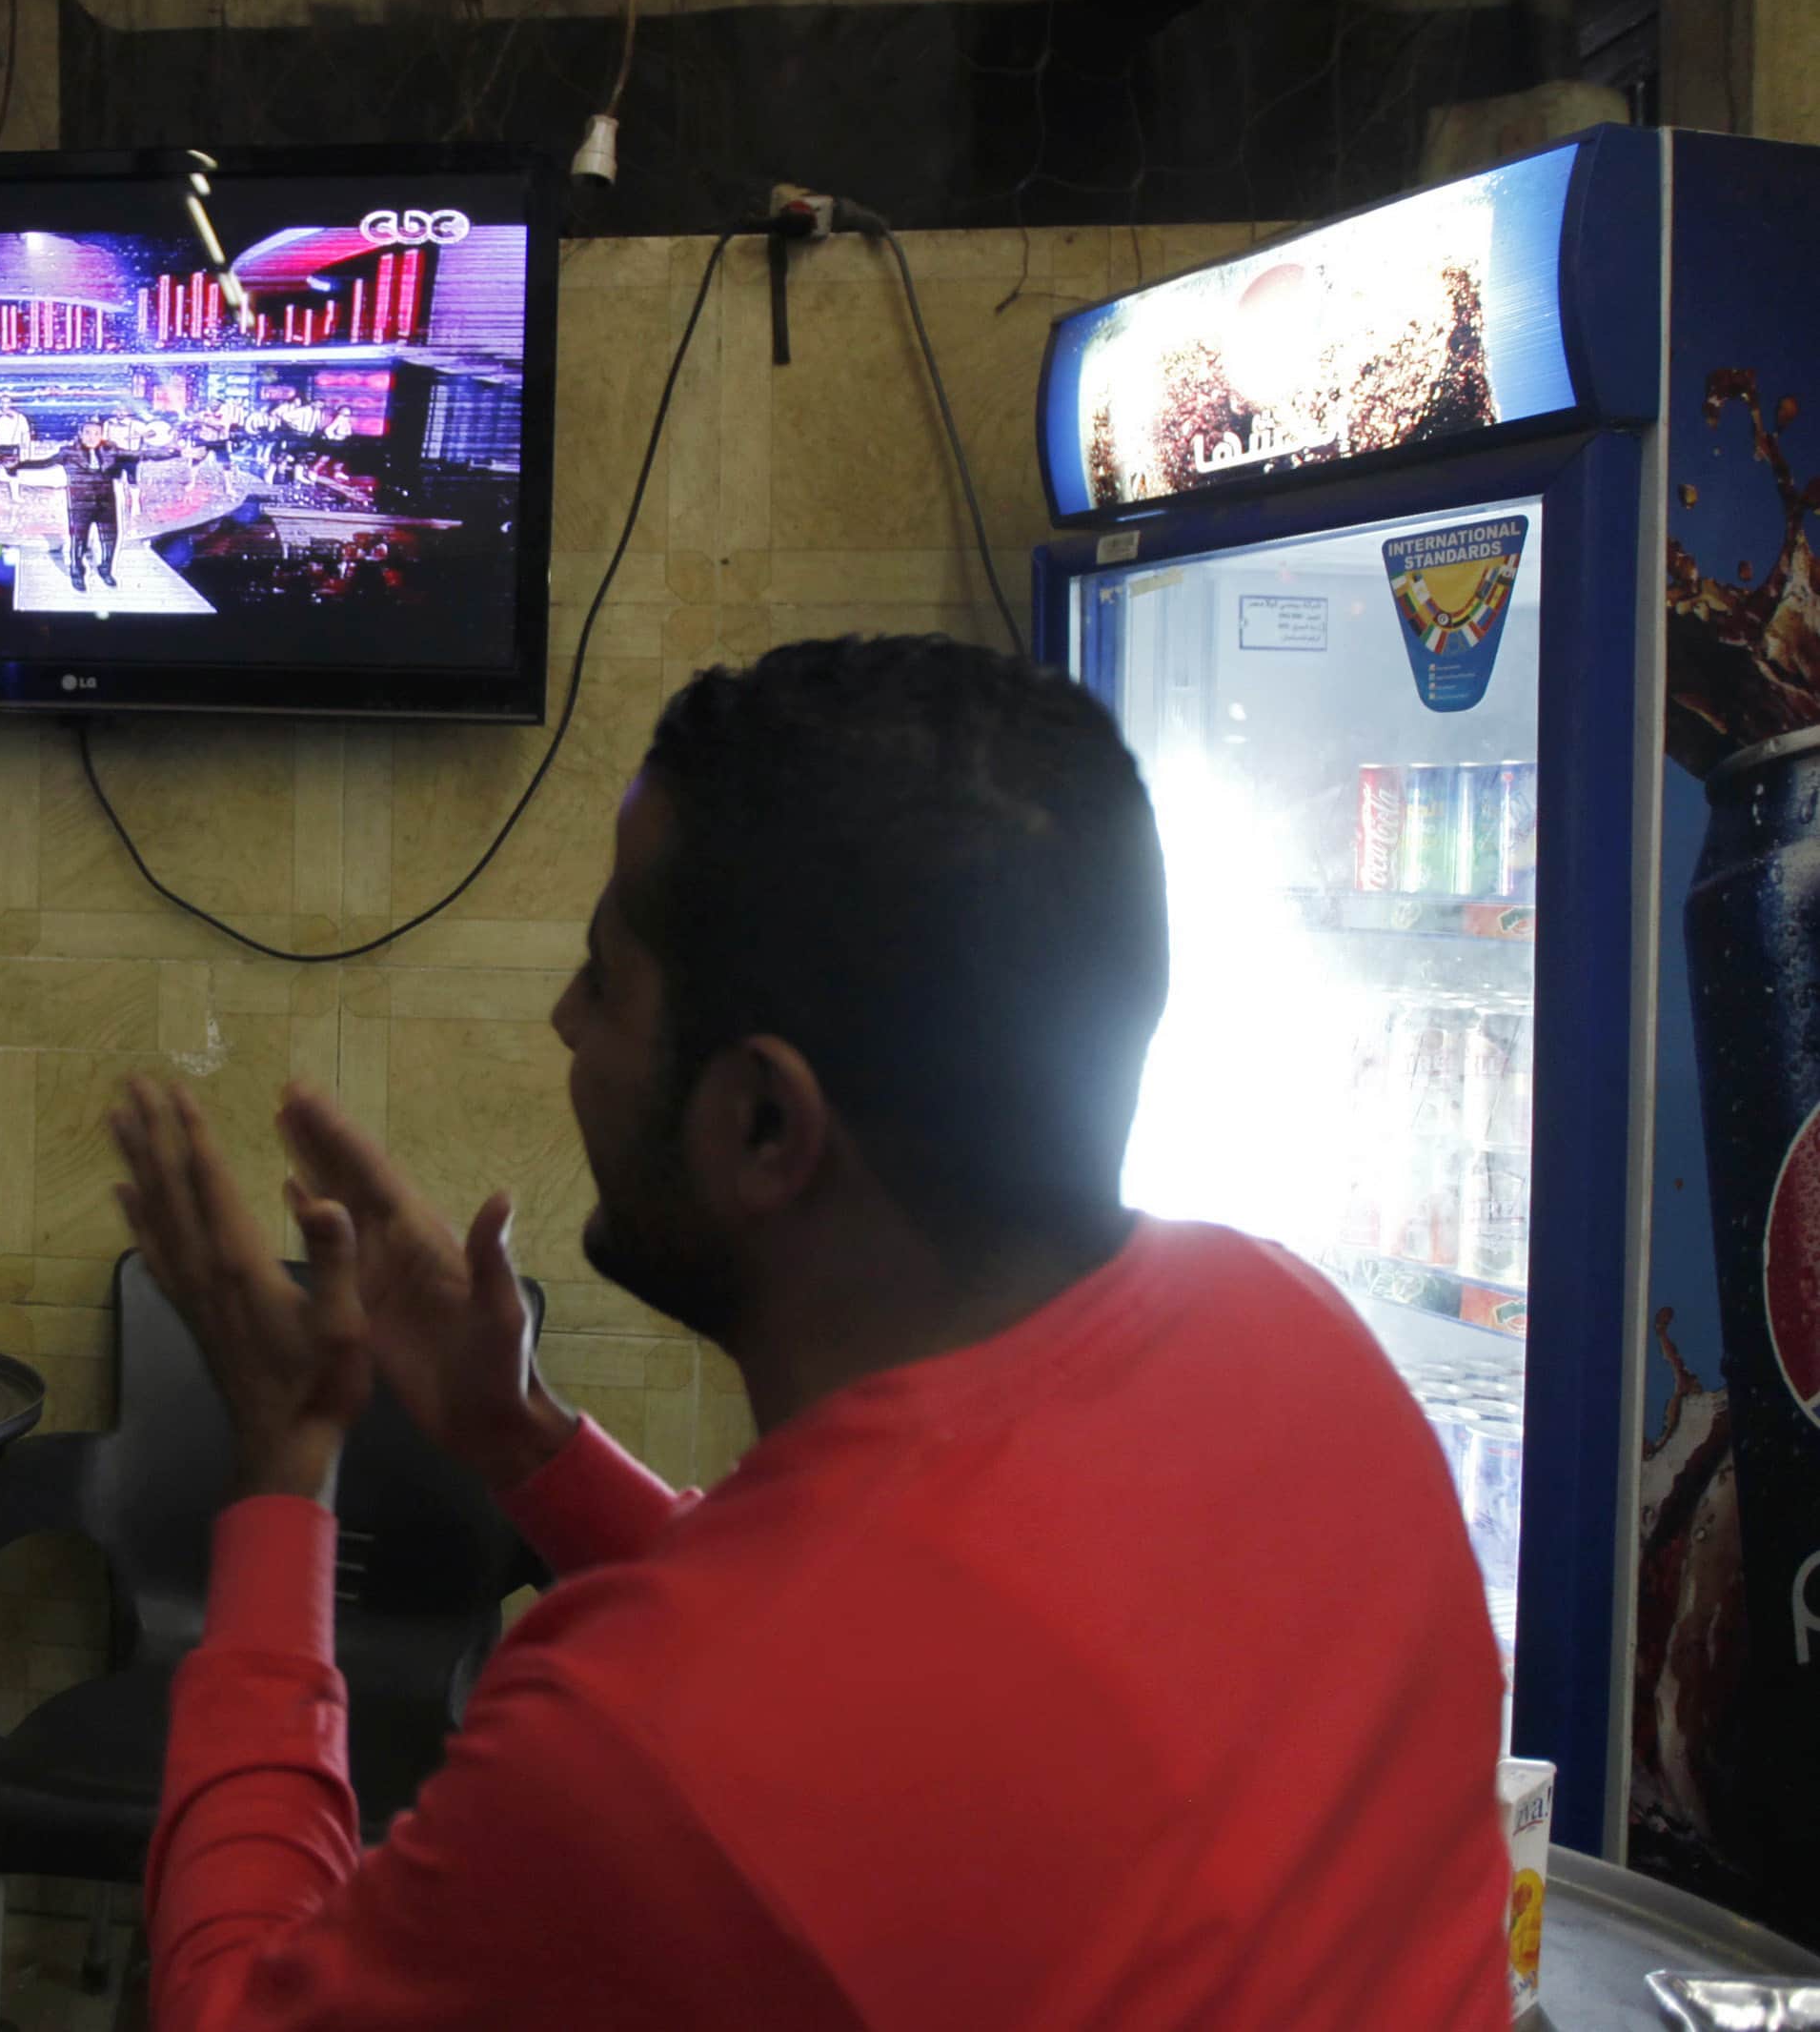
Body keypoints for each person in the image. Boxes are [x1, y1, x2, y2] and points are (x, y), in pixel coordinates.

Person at [106, 636, 1511, 2031]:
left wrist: (286, 1470)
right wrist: (521, 1440)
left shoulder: (631, 1755)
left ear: (763, 1124)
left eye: (603, 979)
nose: (561, 1021)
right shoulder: (1304, 1337)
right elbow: (905, 1679)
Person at [59, 415, 133, 593]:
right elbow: (43, 463)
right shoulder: (68, 452)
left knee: (110, 539)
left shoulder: (111, 450)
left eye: (96, 433)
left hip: (106, 503)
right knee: (79, 540)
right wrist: (16, 465)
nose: (92, 437)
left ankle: (105, 569)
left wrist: (178, 452)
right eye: (88, 433)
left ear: (101, 435)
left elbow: (140, 454)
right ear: (81, 434)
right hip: (80, 504)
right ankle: (77, 573)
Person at [0, 395, 32, 501]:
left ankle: (15, 496)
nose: (5, 405)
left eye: (7, 402)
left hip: (12, 448)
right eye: (3, 402)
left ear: (11, 403)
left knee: (13, 473)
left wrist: (26, 448)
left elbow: (26, 433)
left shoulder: (20, 418)